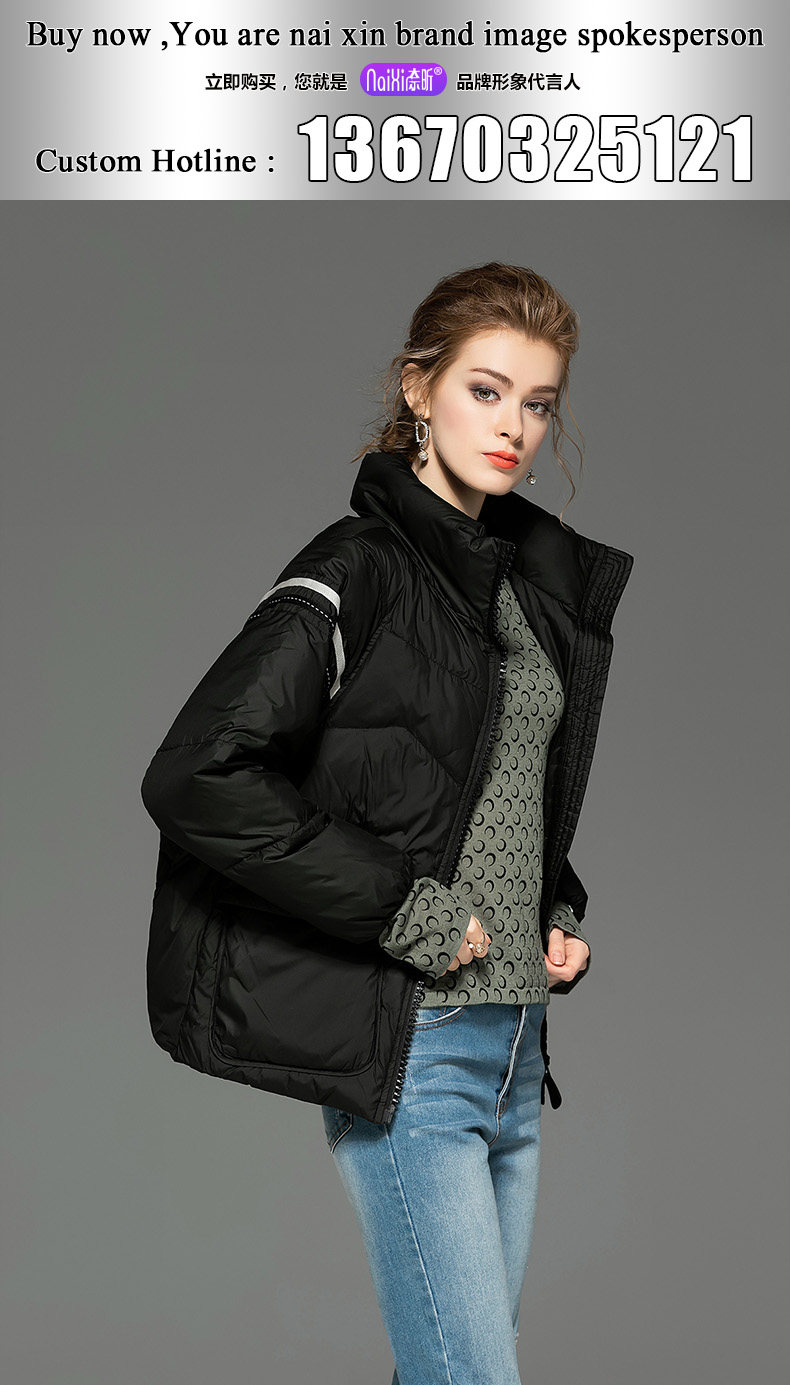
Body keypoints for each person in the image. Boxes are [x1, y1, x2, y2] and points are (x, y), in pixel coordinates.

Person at [140, 261, 634, 1385]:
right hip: (419, 1050)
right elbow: (199, 772)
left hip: (515, 1049)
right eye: (484, 390)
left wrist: (553, 907)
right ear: (419, 388)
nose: (513, 427)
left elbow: (481, 788)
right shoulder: (356, 569)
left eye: (538, 403)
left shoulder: (521, 588)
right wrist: (408, 910)